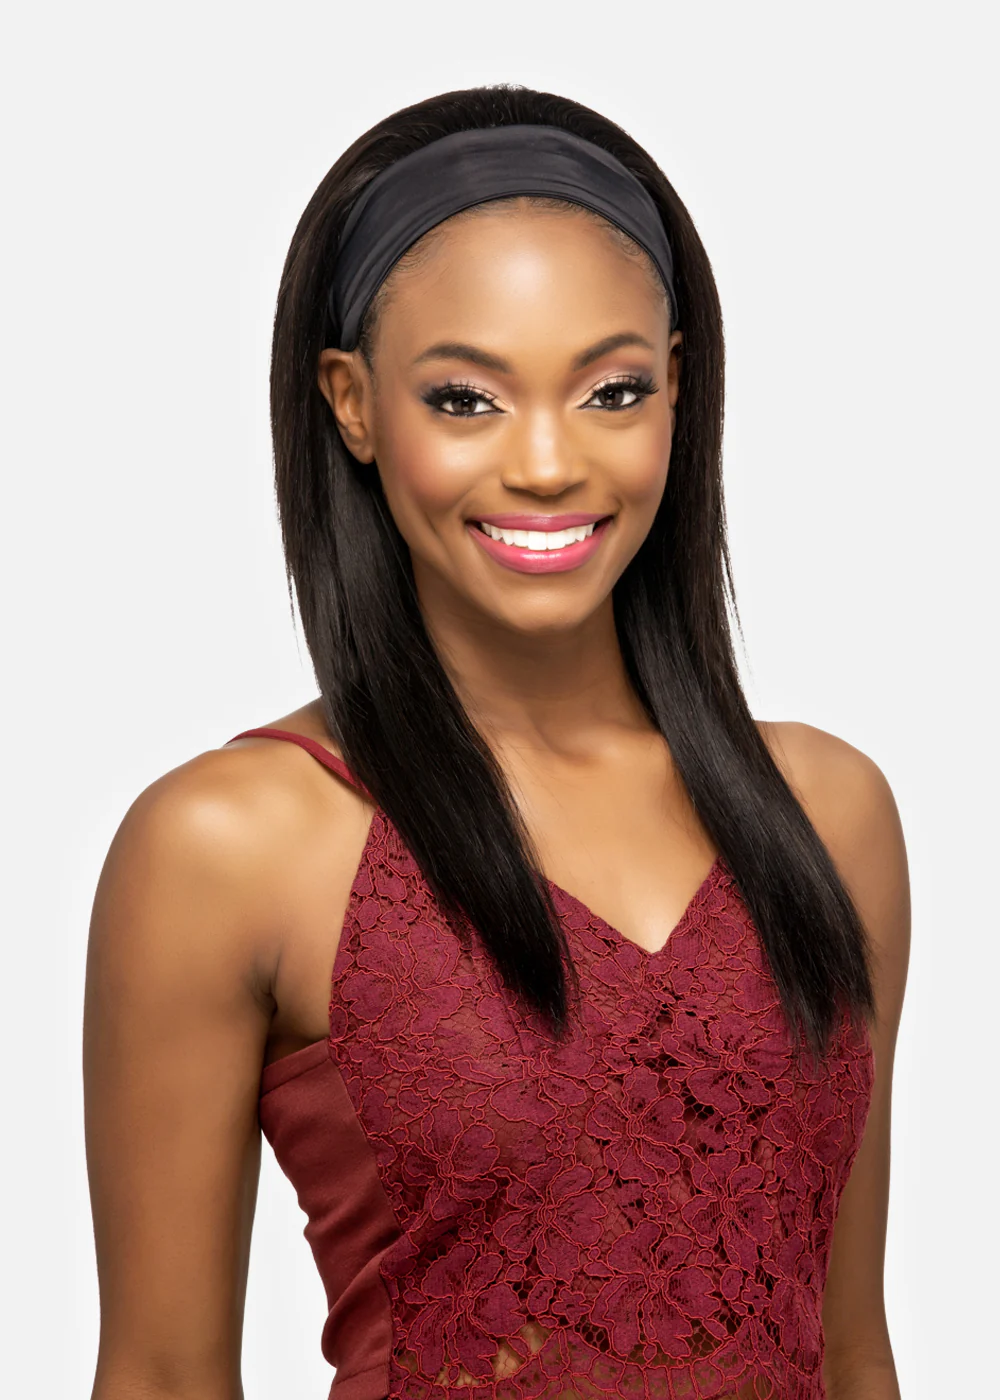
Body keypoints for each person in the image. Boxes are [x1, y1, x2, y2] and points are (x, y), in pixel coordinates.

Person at [83, 85, 909, 1400]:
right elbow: (164, 1376)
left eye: (613, 391)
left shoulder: (827, 813)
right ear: (353, 405)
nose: (546, 464)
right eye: (466, 399)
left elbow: (853, 1351)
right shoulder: (231, 844)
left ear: (679, 388)